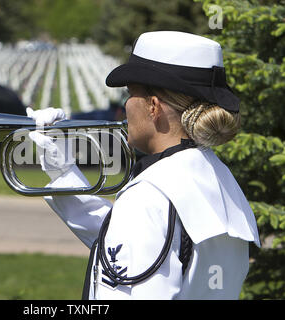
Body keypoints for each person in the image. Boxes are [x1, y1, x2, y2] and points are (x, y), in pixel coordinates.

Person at [26, 31, 260, 300]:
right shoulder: (218, 179)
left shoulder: (151, 194)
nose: (125, 106)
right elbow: (127, 246)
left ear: (153, 107)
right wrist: (62, 170)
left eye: (129, 94)